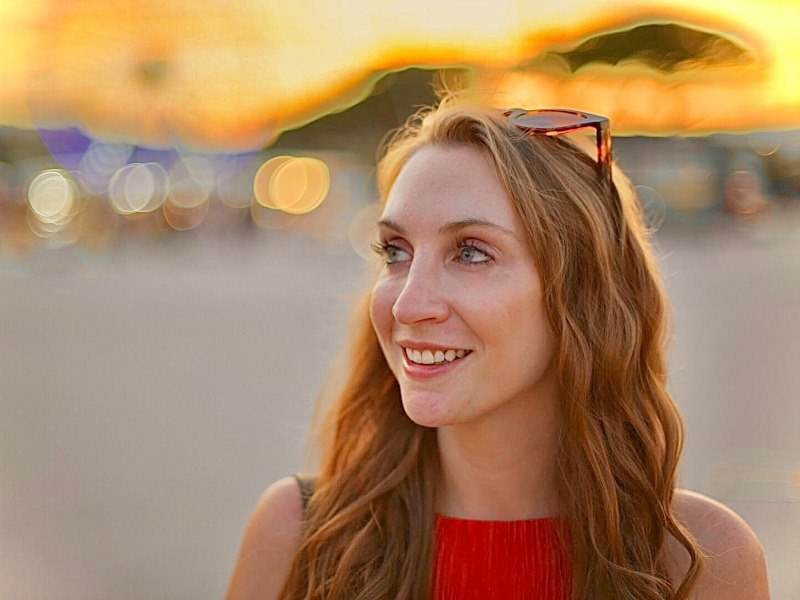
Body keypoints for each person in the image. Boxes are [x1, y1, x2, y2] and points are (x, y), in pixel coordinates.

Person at [225, 97, 770, 599]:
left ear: (581, 294)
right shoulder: (301, 537)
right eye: (396, 251)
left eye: (471, 253)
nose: (409, 304)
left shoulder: (699, 561)